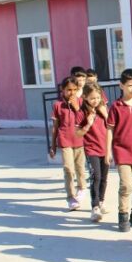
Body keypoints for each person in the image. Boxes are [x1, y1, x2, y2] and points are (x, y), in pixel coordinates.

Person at [106, 69, 132, 232]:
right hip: (121, 150)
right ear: (121, 85)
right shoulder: (116, 106)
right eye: (130, 85)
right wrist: (107, 151)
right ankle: (122, 214)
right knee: (126, 185)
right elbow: (109, 129)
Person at [49, 76, 86, 211]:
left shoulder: (81, 102)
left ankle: (82, 188)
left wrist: (77, 107)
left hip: (80, 140)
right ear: (62, 90)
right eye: (68, 90)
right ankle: (70, 197)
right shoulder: (57, 105)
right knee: (68, 169)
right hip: (65, 141)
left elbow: (85, 120)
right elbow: (55, 126)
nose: (72, 93)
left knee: (80, 167)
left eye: (75, 90)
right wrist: (52, 145)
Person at [75, 82, 109, 222]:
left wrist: (106, 114)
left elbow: (111, 128)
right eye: (92, 98)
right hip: (92, 149)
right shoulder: (81, 112)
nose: (96, 101)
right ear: (85, 97)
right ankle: (94, 207)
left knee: (104, 178)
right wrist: (88, 123)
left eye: (98, 98)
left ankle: (101, 201)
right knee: (96, 176)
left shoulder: (103, 109)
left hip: (105, 148)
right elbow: (77, 133)